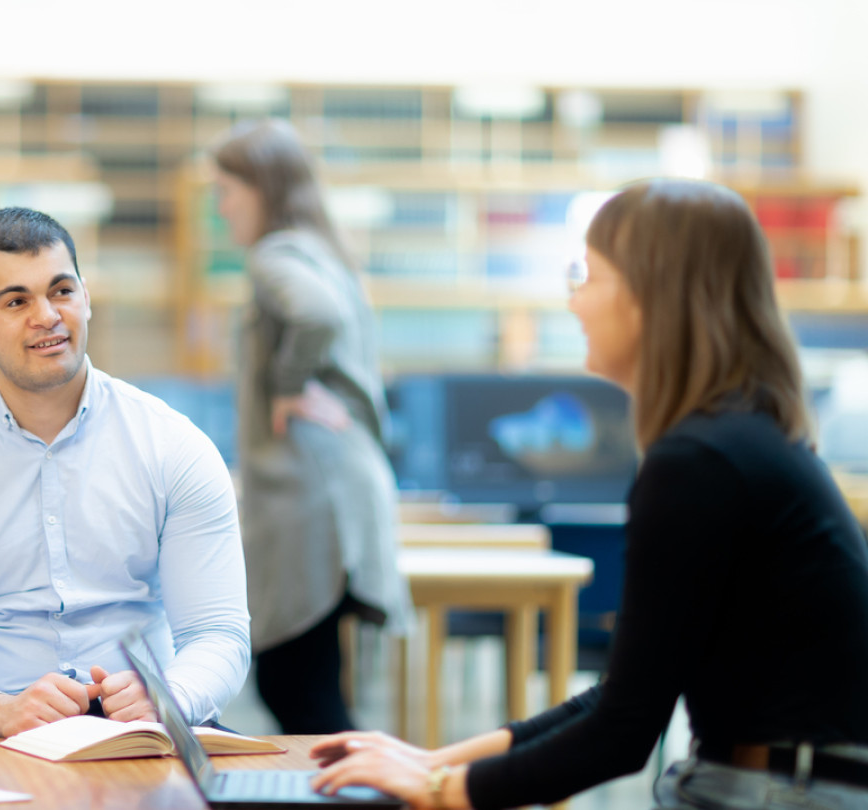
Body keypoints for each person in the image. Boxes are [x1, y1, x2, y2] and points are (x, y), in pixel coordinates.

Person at [309, 178, 868, 810]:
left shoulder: (700, 459)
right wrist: (436, 761)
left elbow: (621, 734)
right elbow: (622, 698)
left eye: (589, 276)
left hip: (778, 793)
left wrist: (438, 789)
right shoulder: (734, 437)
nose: (573, 303)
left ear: (650, 295)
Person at [0, 206, 251, 739]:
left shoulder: (174, 447)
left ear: (86, 299)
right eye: (16, 301)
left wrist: (168, 696)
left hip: (147, 735)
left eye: (62, 291)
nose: (46, 315)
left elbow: (219, 635)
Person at [212, 119, 414, 734]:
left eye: (227, 191)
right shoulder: (323, 251)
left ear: (262, 189)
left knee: (292, 681)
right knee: (310, 682)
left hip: (311, 494)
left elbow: (316, 315)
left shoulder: (276, 255)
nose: (221, 208)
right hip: (339, 486)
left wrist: (288, 385)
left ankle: (362, 794)